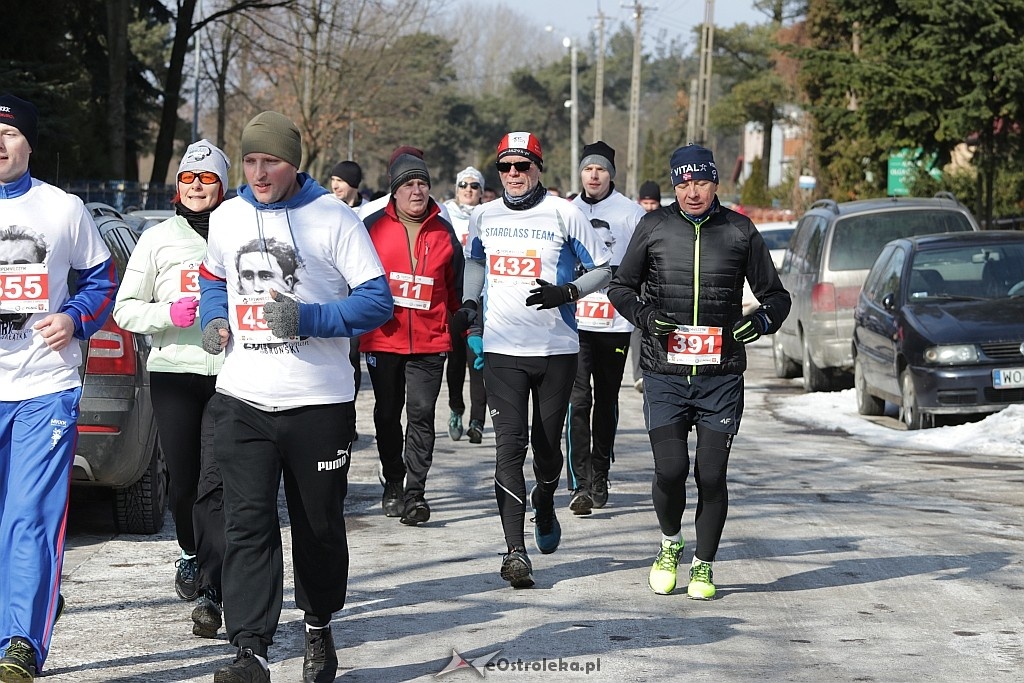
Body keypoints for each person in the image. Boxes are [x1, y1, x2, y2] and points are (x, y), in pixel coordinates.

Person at [198, 110, 392, 683]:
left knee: (319, 526)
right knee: (247, 525)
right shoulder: (228, 216)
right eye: (251, 160)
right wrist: (214, 318)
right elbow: (213, 278)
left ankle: (318, 627)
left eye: (271, 162)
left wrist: (308, 317)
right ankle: (250, 649)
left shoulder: (333, 219)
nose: (259, 173)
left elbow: (377, 302)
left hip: (318, 404)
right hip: (242, 399)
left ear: (294, 162)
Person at [607, 144, 791, 600]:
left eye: (701, 182)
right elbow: (620, 287)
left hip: (720, 376)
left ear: (715, 184)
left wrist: (761, 321)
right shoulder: (654, 227)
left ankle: (704, 566)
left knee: (711, 476)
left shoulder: (739, 231)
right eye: (684, 183)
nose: (692, 192)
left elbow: (777, 296)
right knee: (670, 470)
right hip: (665, 373)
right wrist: (647, 317)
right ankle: (670, 545)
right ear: (674, 185)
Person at [0, 94, 118, 682]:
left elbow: (101, 281)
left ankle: (19, 642)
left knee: (28, 516)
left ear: (29, 142)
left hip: (44, 384)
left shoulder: (63, 209)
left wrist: (73, 318)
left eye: (10, 132)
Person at [461, 132, 612, 588]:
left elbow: (606, 269)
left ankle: (545, 500)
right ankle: (514, 552)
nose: (513, 175)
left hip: (556, 350)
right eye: (505, 167)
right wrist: (470, 307)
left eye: (522, 167)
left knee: (547, 452)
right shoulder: (483, 215)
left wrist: (566, 292)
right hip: (503, 351)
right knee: (509, 448)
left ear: (538, 169)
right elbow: (476, 263)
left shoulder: (566, 214)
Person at [113, 139, 230, 639]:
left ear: (223, 186)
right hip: (174, 371)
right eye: (188, 178)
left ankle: (212, 586)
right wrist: (168, 314)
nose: (197, 187)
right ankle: (188, 550)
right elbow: (124, 309)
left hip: (232, 374)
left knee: (216, 483)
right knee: (183, 483)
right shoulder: (157, 239)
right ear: (177, 187)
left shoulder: (242, 233)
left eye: (207, 179)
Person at [361, 153, 464, 525]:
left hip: (430, 340)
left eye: (422, 183)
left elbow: (455, 293)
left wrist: (466, 329)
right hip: (382, 338)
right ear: (395, 191)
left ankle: (415, 493)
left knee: (421, 414)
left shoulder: (444, 232)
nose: (417, 190)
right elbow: (356, 281)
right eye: (409, 184)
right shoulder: (371, 228)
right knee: (388, 415)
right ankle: (393, 481)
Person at [566, 141, 645, 515]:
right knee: (578, 401)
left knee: (606, 401)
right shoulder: (567, 210)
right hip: (575, 323)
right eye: (587, 169)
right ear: (580, 173)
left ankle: (600, 471)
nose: (593, 175)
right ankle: (580, 482)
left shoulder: (630, 213)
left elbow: (643, 265)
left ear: (611, 173)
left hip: (614, 323)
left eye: (600, 169)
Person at [442, 166, 488, 444]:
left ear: (482, 191)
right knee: (456, 361)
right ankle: (456, 409)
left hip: (481, 299)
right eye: (464, 186)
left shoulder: (489, 215)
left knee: (478, 359)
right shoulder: (445, 214)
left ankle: (477, 421)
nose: (468, 190)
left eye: (474, 186)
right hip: (452, 299)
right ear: (456, 189)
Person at [631, 181, 664, 393]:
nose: (650, 207)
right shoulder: (634, 220)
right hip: (638, 279)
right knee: (638, 325)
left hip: (659, 279)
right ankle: (639, 375)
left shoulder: (665, 221)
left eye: (653, 203)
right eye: (646, 202)